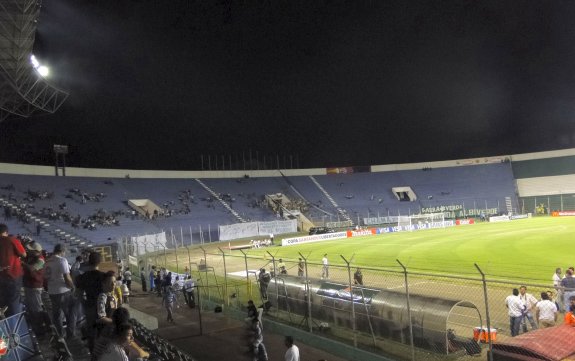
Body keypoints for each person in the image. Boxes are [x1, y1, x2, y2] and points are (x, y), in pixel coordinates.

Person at [44, 244, 77, 339]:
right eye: (64, 252)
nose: (65, 254)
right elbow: (67, 277)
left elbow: (45, 278)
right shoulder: (62, 260)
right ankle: (71, 335)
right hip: (63, 291)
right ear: (62, 251)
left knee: (57, 314)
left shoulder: (47, 262)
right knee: (70, 313)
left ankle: (60, 334)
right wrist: (72, 286)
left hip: (52, 291)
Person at [75, 251, 105, 352]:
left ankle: (93, 354)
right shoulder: (104, 276)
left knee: (91, 333)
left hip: (90, 306)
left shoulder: (82, 277)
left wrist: (84, 303)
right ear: (99, 262)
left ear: (89, 261)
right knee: (104, 332)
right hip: (103, 308)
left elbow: (78, 294)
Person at [0, 224, 27, 317]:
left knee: (3, 303)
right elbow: (24, 254)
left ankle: (5, 327)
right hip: (13, 275)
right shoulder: (12, 240)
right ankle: (17, 328)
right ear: (6, 232)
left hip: (1, 277)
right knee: (14, 302)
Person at [22, 241, 47, 335]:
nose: (28, 250)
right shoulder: (32, 257)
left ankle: (40, 331)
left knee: (36, 309)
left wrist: (23, 264)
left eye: (31, 250)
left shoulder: (40, 260)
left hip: (35, 287)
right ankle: (36, 328)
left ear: (37, 251)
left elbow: (32, 268)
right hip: (29, 286)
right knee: (31, 308)